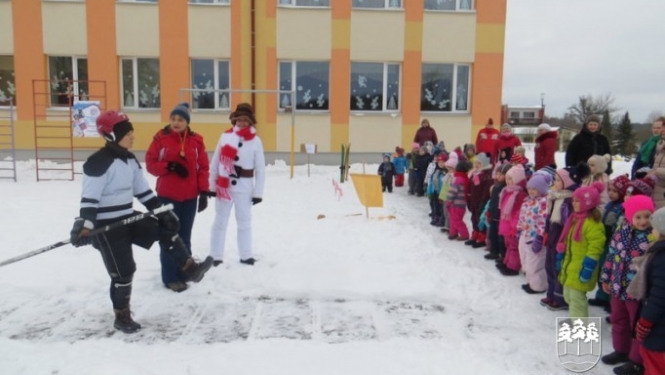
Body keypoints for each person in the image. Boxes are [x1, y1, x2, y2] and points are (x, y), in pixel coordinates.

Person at [69, 110, 213, 334]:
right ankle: (121, 315)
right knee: (124, 272)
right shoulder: (98, 163)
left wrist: (162, 212)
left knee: (165, 230)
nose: (132, 137)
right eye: (127, 133)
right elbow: (89, 200)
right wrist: (84, 226)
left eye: (131, 132)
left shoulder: (128, 160)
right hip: (107, 225)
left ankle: (190, 268)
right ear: (111, 135)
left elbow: (143, 192)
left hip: (127, 217)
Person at [145, 103, 210, 293]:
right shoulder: (161, 139)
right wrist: (170, 166)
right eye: (173, 119)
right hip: (168, 196)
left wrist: (204, 192)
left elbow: (203, 167)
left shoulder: (196, 141)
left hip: (190, 197)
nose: (176, 122)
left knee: (185, 236)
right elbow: (151, 164)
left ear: (187, 122)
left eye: (180, 119)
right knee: (169, 237)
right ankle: (171, 277)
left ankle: (186, 272)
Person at [599, 195, 654, 375]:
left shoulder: (653, 238)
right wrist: (606, 278)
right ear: (630, 216)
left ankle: (636, 361)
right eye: (638, 217)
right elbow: (611, 255)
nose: (643, 221)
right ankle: (621, 350)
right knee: (618, 320)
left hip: (637, 292)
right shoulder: (621, 231)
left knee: (635, 325)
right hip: (617, 287)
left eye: (647, 216)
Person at [209, 103, 266, 266]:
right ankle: (216, 255)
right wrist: (212, 186)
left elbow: (260, 169)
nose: (241, 123)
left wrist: (258, 193)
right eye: (239, 119)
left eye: (245, 120)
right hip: (224, 187)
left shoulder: (256, 141)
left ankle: (246, 255)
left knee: (244, 222)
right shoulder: (225, 136)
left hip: (244, 187)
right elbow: (215, 161)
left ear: (250, 122)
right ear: (234, 120)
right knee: (220, 221)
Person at [556, 182, 606, 318]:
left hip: (582, 267)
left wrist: (588, 268)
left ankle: (579, 327)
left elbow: (595, 248)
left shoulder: (593, 224)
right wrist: (561, 256)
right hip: (570, 265)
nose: (574, 203)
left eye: (577, 201)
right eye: (573, 200)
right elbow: (567, 240)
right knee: (568, 296)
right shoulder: (574, 219)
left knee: (576, 298)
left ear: (587, 203)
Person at [628, 207, 665, 375]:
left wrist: (645, 322)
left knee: (654, 365)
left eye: (654, 227)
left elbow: (659, 296)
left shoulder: (661, 256)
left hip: (659, 330)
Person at [541, 167, 580, 311]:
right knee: (549, 265)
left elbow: (569, 222)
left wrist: (564, 240)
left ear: (567, 182)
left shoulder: (570, 199)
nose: (555, 182)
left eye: (558, 180)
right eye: (555, 179)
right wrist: (546, 231)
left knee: (559, 267)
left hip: (561, 235)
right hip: (552, 231)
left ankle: (560, 298)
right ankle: (551, 293)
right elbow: (549, 216)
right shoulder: (555, 196)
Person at [588, 175, 630, 310]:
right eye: (610, 190)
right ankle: (602, 296)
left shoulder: (622, 208)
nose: (611, 193)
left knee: (611, 271)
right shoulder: (608, 205)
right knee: (602, 269)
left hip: (613, 242)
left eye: (615, 191)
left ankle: (611, 299)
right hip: (604, 241)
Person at [518, 172, 552, 294]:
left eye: (534, 189)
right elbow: (522, 216)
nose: (531, 191)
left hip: (535, 237)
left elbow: (543, 221)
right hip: (525, 234)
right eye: (529, 188)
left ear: (541, 189)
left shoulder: (543, 202)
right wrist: (519, 228)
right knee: (525, 260)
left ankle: (538, 286)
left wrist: (539, 237)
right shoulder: (527, 201)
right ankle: (530, 282)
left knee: (535, 263)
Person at [497, 164, 527, 276]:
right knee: (508, 245)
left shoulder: (520, 194)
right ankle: (507, 262)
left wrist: (514, 226)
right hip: (506, 224)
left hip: (513, 226)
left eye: (511, 179)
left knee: (514, 246)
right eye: (507, 178)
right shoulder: (507, 191)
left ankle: (513, 267)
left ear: (518, 179)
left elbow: (519, 212)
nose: (508, 181)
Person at [484, 163, 512, 261]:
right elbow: (492, 201)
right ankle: (494, 251)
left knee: (501, 238)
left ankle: (502, 254)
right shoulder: (495, 187)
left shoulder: (506, 189)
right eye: (497, 174)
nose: (498, 176)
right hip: (494, 215)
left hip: (501, 217)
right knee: (492, 235)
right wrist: (489, 210)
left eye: (500, 174)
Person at [466, 152, 493, 248]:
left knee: (480, 219)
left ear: (484, 164)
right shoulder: (473, 174)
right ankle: (475, 233)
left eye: (479, 163)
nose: (476, 165)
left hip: (481, 202)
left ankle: (482, 236)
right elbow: (469, 187)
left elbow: (486, 191)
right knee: (474, 218)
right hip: (473, 200)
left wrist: (483, 201)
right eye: (475, 163)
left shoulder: (486, 176)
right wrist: (468, 197)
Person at [446, 159, 471, 241]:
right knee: (454, 219)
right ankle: (453, 233)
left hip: (456, 204)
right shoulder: (464, 178)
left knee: (456, 220)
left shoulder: (457, 179)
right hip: (461, 204)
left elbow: (452, 191)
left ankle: (465, 234)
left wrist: (448, 201)